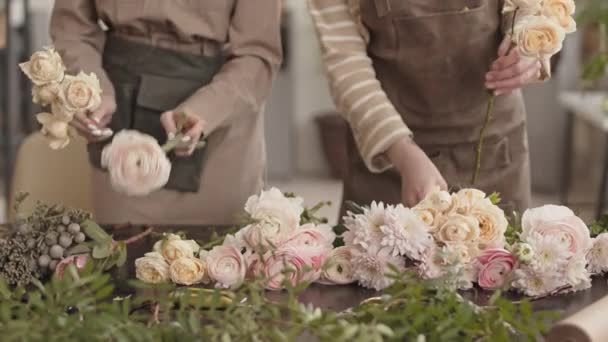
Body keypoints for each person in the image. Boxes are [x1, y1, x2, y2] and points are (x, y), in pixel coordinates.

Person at [50, 1, 282, 225]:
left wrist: (205, 109)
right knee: (124, 255)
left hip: (222, 130)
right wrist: (91, 90)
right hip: (120, 120)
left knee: (219, 255)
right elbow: (71, 27)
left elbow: (258, 55)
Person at [308, 0, 547, 214]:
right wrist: (401, 152)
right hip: (388, 157)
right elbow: (345, 65)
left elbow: (532, 9)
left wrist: (529, 48)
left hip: (494, 153)